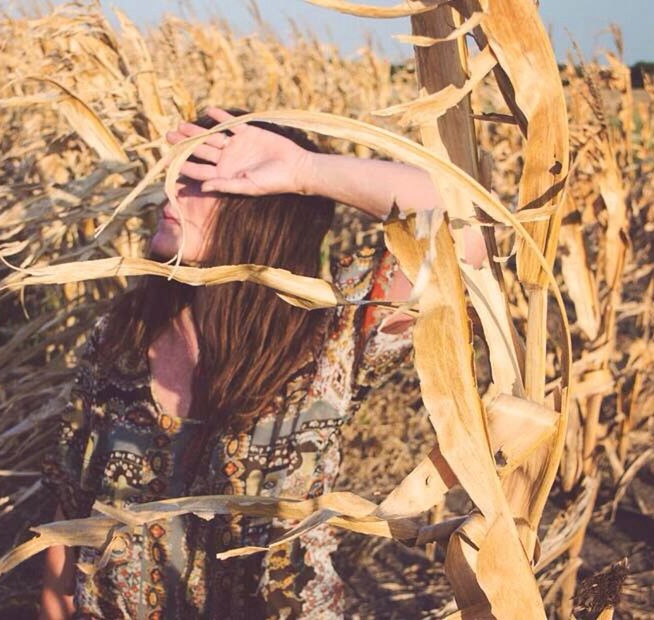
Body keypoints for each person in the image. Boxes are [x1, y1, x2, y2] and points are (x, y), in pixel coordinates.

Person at [39, 107, 486, 619]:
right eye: (178, 173)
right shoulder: (122, 336)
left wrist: (305, 172)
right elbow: (71, 504)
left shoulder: (331, 335)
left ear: (265, 211)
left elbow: (471, 233)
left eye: (202, 180)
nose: (172, 190)